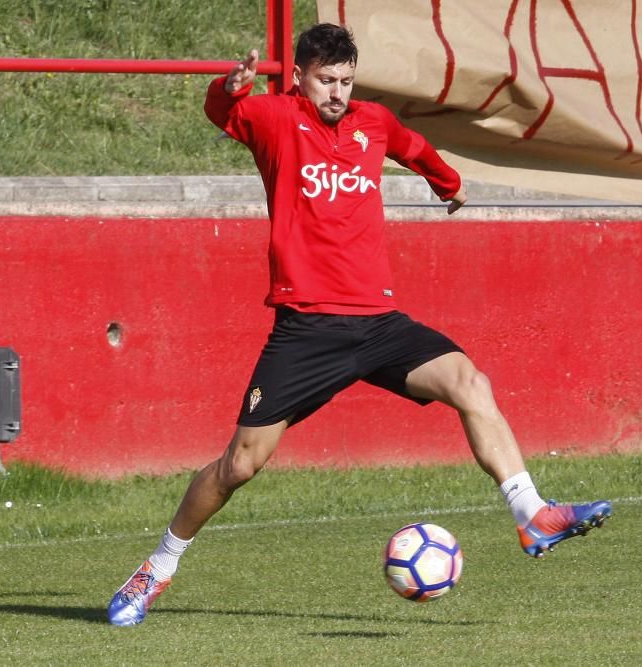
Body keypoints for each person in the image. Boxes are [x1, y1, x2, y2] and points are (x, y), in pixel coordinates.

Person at [108, 23, 611, 627]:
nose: (337, 93)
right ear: (299, 78)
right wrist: (230, 87)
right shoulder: (273, 120)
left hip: (379, 324)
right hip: (308, 330)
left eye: (346, 80)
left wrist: (447, 183)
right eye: (325, 81)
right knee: (238, 466)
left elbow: (414, 147)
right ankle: (156, 569)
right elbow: (221, 110)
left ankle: (531, 514)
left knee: (471, 384)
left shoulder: (372, 121)